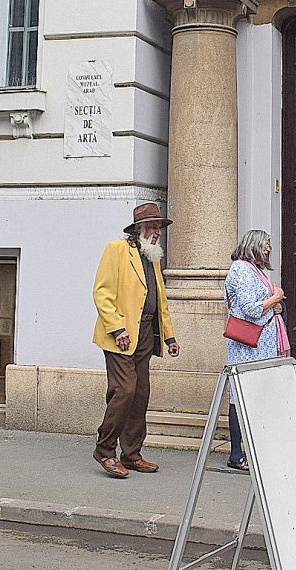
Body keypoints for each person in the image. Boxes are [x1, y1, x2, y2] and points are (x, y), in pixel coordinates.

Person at [90, 203, 180, 479]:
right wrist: (117, 329)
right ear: (139, 229)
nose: (158, 232)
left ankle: (131, 454)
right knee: (125, 390)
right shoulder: (116, 249)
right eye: (153, 227)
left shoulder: (152, 257)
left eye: (159, 227)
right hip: (121, 334)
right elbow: (102, 293)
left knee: (140, 394)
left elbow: (160, 300)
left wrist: (169, 336)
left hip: (146, 333)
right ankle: (105, 449)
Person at [222, 229, 286, 472]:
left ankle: (255, 449)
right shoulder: (240, 270)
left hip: (261, 344)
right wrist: (275, 298)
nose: (269, 248)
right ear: (253, 245)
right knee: (240, 396)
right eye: (265, 244)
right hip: (247, 345)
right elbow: (250, 308)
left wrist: (275, 306)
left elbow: (260, 306)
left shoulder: (255, 270)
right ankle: (237, 454)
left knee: (257, 395)